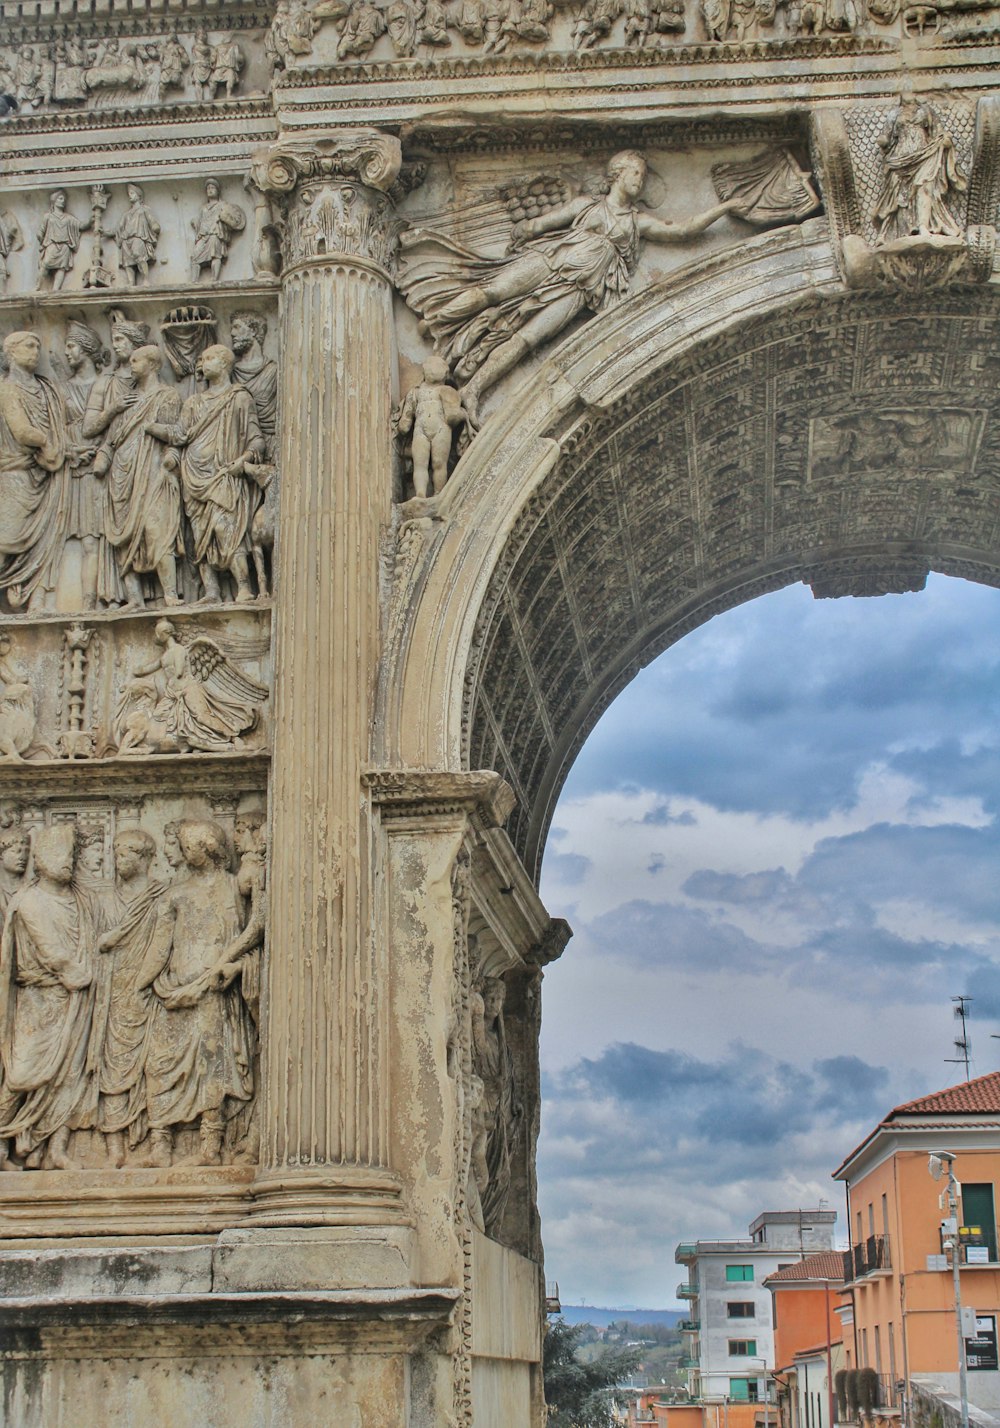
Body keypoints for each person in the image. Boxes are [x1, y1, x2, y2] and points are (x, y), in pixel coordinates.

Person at [399, 150, 739, 424]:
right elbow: (544, 223)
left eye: (643, 175)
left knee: (525, 340)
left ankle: (474, 389)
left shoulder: (638, 223)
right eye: (635, 172)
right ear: (616, 174)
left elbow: (680, 229)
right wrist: (526, 228)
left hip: (578, 292)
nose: (640, 180)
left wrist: (725, 207)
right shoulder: (586, 206)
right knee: (494, 292)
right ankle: (438, 320)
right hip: (549, 260)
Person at [141, 820, 253, 1167]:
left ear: (209, 849)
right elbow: (160, 947)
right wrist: (143, 985)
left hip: (214, 992)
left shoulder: (233, 889)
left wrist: (215, 977)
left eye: (190, 847)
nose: (185, 853)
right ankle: (160, 1141)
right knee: (159, 1063)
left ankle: (211, 1141)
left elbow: (248, 938)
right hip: (174, 991)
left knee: (213, 1064)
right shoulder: (175, 894)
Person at [0, 824, 98, 1170]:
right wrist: (76, 973)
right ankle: (1, 1144)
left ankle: (56, 1148)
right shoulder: (30, 901)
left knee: (71, 1075)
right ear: (40, 860)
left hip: (73, 1003)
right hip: (39, 1000)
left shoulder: (80, 900)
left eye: (71, 856)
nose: (67, 863)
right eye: (60, 855)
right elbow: (52, 951)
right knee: (22, 1074)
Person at [146, 343, 264, 602]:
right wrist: (153, 429)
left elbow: (256, 440)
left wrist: (243, 460)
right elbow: (180, 435)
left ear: (224, 364)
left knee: (227, 529)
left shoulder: (239, 398)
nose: (203, 361)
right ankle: (211, 590)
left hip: (224, 474)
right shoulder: (193, 403)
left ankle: (243, 586)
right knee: (198, 536)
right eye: (203, 357)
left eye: (210, 357)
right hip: (193, 475)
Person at [90, 829, 165, 1165]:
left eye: (127, 853)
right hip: (111, 989)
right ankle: (114, 1146)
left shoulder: (160, 895)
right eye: (117, 853)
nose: (120, 860)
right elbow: (96, 943)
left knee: (154, 1062)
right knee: (111, 1064)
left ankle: (155, 1139)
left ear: (145, 857)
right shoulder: (104, 899)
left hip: (150, 991)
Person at [101, 344, 183, 607]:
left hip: (155, 469)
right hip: (123, 472)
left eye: (136, 360)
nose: (131, 365)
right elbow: (112, 437)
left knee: (156, 527)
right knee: (124, 532)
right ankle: (134, 598)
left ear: (153, 364)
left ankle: (170, 593)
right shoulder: (126, 400)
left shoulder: (168, 396)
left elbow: (176, 435)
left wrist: (170, 460)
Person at [114, 618, 267, 755]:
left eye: (158, 633)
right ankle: (184, 740)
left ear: (165, 633)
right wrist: (135, 672)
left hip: (187, 689)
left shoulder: (179, 650)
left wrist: (173, 680)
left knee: (202, 716)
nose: (157, 637)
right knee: (158, 718)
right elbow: (146, 669)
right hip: (173, 692)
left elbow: (179, 671)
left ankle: (232, 738)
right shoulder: (165, 656)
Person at [0, 330, 70, 611]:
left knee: (48, 540)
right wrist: (46, 443)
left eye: (38, 346)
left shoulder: (46, 389)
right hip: (17, 471)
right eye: (29, 346)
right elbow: (20, 430)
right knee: (5, 537)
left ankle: (36, 598)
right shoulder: (6, 388)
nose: (35, 352)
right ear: (11, 352)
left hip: (45, 474)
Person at [61, 320, 109, 610]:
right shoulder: (61, 389)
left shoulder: (106, 385)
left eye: (71, 346)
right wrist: (69, 450)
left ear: (87, 349)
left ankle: (90, 604)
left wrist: (100, 451)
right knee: (62, 540)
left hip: (96, 469)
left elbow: (118, 428)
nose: (66, 352)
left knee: (93, 541)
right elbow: (54, 427)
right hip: (67, 469)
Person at [873, 96, 967, 243]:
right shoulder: (894, 114)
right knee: (900, 195)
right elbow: (886, 137)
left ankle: (923, 226)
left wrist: (944, 140)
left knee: (925, 188)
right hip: (901, 160)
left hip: (925, 154)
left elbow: (938, 132)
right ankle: (902, 230)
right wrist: (882, 141)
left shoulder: (926, 111)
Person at [393, 355, 469, 497]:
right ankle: (421, 493)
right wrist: (403, 424)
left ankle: (438, 493)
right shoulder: (415, 393)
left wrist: (461, 414)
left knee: (437, 463)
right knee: (422, 464)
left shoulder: (446, 391)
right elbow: (406, 419)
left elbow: (452, 417)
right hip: (424, 430)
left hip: (439, 430)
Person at [190, 179, 245, 282]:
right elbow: (201, 222)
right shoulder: (203, 208)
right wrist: (196, 223)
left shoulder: (223, 205)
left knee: (215, 255)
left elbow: (231, 219)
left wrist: (223, 218)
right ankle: (194, 280)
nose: (210, 190)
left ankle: (214, 278)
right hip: (203, 235)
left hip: (215, 233)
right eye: (208, 188)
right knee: (195, 255)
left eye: (212, 188)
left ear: (217, 191)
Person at [115, 183, 160, 287]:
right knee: (127, 261)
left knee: (138, 255)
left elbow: (152, 221)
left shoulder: (144, 210)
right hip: (126, 239)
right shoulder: (126, 214)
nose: (130, 195)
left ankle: (145, 279)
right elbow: (119, 228)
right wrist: (106, 232)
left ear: (139, 196)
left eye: (132, 193)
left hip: (138, 238)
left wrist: (155, 226)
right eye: (129, 193)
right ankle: (131, 281)